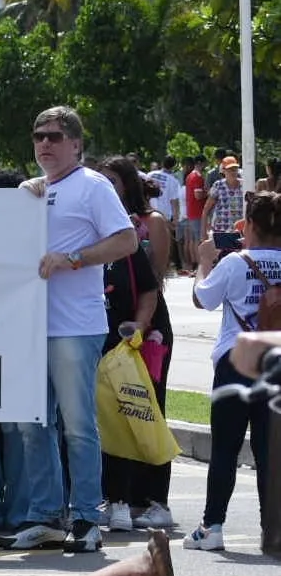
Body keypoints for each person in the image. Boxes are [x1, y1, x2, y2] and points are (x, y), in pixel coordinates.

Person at [0, 107, 137, 553]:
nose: (44, 145)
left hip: (76, 324)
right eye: (38, 136)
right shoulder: (30, 191)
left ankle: (87, 519)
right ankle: (45, 516)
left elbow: (127, 240)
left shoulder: (92, 186)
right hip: (29, 326)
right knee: (30, 425)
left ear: (76, 143)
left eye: (54, 137)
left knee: (78, 426)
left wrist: (73, 258)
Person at [186, 192, 281, 551]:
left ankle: (212, 527)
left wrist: (204, 261)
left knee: (225, 447)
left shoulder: (236, 262)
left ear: (251, 225)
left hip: (236, 360)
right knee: (269, 450)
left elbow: (202, 299)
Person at [94, 158, 175, 533]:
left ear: (126, 184)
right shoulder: (92, 227)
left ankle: (154, 499)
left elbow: (152, 281)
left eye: (110, 181)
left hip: (146, 333)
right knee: (113, 417)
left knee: (147, 410)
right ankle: (119, 498)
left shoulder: (146, 224)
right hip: (107, 336)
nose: (104, 188)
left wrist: (140, 327)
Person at [205, 156, 247, 257]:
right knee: (222, 258)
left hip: (239, 231)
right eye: (229, 169)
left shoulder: (244, 185)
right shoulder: (218, 185)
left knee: (239, 258)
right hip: (221, 230)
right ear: (223, 171)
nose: (233, 172)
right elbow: (206, 209)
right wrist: (204, 232)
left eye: (235, 169)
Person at [183, 155, 207, 275]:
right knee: (199, 240)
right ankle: (199, 267)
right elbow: (198, 195)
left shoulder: (189, 176)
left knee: (193, 240)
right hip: (197, 212)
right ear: (200, 163)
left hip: (191, 211)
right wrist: (207, 193)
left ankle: (195, 266)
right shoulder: (197, 176)